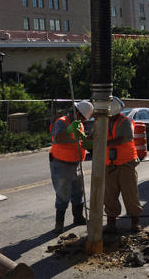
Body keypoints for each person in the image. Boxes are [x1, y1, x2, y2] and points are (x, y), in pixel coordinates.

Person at [49, 100, 93, 233]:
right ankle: (59, 223)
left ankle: (78, 217)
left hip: (76, 163)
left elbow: (79, 140)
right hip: (61, 163)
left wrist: (85, 143)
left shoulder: (78, 124)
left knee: (78, 191)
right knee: (63, 193)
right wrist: (70, 129)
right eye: (83, 118)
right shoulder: (62, 122)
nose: (83, 121)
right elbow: (58, 138)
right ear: (77, 112)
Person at [103, 97, 143, 233]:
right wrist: (84, 137)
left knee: (130, 194)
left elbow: (120, 140)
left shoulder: (125, 122)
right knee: (109, 195)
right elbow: (94, 135)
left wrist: (99, 143)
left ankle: (135, 221)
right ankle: (111, 222)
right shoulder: (103, 122)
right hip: (110, 163)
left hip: (126, 163)